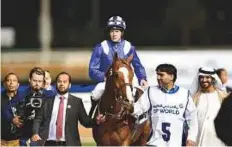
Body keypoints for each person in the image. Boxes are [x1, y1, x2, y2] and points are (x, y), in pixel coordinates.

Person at [89, 16, 148, 117]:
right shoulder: (101, 47)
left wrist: (142, 78)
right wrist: (104, 76)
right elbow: (92, 70)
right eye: (112, 31)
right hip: (107, 81)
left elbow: (137, 65)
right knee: (95, 94)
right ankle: (92, 117)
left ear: (122, 32)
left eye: (117, 31)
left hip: (126, 81)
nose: (114, 34)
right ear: (109, 32)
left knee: (141, 94)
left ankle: (140, 119)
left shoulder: (129, 47)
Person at [31, 72, 105, 146]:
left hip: (70, 144)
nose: (62, 84)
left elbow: (85, 122)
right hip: (49, 143)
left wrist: (96, 121)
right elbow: (38, 119)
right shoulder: (47, 101)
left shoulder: (77, 102)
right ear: (56, 84)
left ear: (69, 85)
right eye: (59, 81)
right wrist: (35, 133)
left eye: (65, 82)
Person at [132, 64, 198, 146]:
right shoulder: (150, 91)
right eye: (157, 75)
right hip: (154, 143)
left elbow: (192, 118)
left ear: (171, 76)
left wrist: (191, 138)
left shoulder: (184, 94)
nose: (158, 78)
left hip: (176, 143)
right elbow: (137, 109)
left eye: (161, 75)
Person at [11, 67, 55, 146]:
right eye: (34, 80)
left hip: (43, 135)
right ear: (29, 80)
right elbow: (8, 110)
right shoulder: (20, 95)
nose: (37, 84)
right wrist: (13, 119)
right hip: (24, 134)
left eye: (40, 81)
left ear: (43, 82)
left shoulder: (50, 95)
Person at [190, 67, 228, 146]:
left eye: (207, 77)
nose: (204, 80)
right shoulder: (194, 98)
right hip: (199, 140)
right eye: (201, 77)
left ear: (213, 79)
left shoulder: (222, 96)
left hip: (218, 141)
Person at [1, 73, 22, 146]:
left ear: (18, 84)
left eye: (14, 80)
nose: (11, 83)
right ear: (4, 84)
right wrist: (11, 119)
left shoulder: (23, 99)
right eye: (9, 80)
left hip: (18, 141)